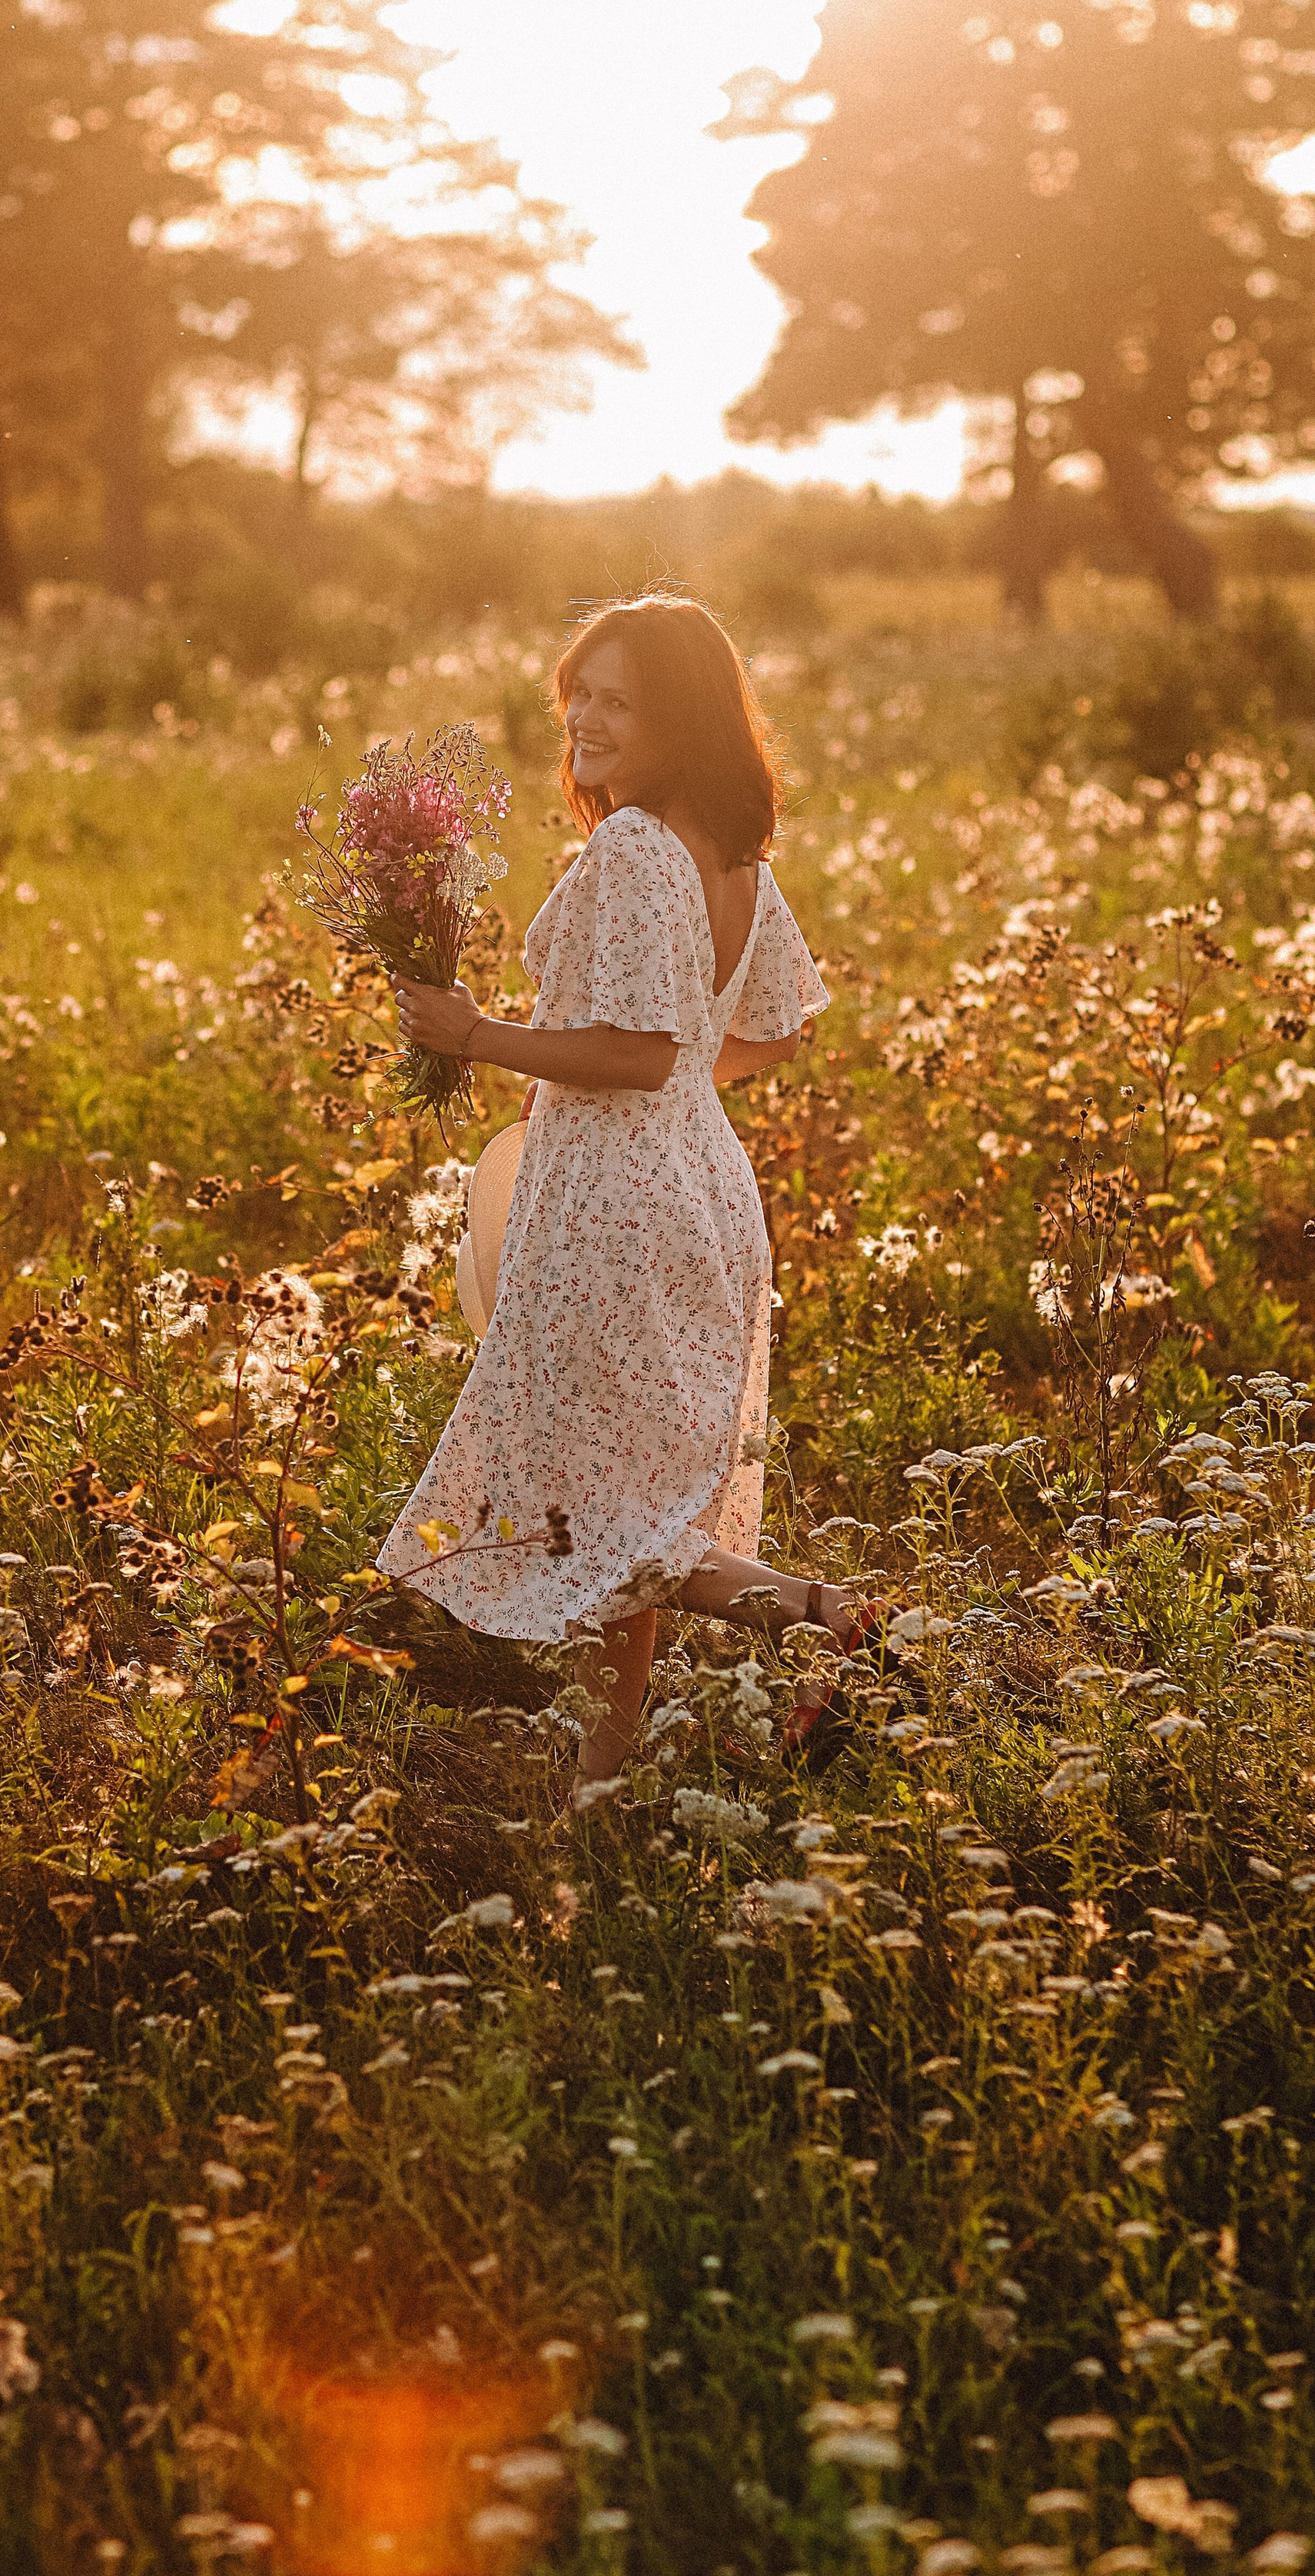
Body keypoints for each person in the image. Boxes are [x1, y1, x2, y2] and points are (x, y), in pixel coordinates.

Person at [380, 593, 858, 1792]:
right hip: (698, 1186)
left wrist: (475, 1035)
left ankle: (828, 1617)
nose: (585, 721)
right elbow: (767, 1033)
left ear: (679, 719)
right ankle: (601, 1778)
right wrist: (677, 1085)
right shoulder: (732, 854)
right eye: (578, 695)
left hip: (616, 1205)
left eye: (618, 702)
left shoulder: (638, 845)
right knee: (619, 1493)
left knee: (593, 1506)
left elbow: (639, 1052)